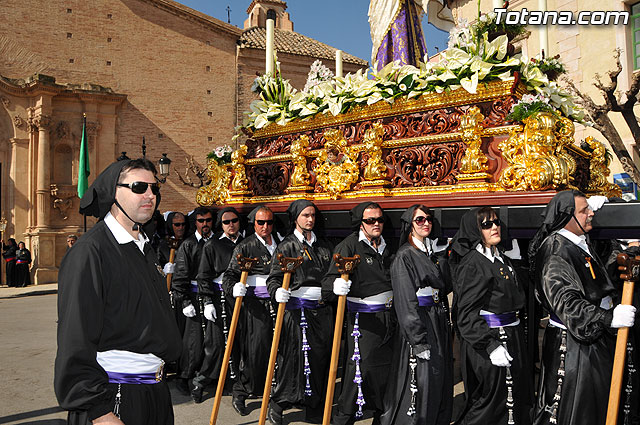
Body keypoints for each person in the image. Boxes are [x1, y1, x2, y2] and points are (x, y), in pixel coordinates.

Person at [54, 158, 182, 424]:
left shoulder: (145, 247)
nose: (150, 195)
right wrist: (99, 412)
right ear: (114, 191)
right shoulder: (90, 251)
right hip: (115, 398)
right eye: (138, 187)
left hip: (155, 393)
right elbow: (75, 337)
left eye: (154, 188)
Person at [529, 190, 636, 425]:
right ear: (567, 217)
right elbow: (567, 302)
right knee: (578, 410)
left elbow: (597, 278)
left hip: (592, 341)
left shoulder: (577, 242)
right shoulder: (556, 251)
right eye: (583, 210)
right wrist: (607, 318)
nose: (590, 214)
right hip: (573, 348)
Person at [450, 207, 533, 425]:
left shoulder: (501, 257)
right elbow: (465, 313)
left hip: (511, 334)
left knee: (514, 396)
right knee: (490, 401)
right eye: (486, 224)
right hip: (491, 338)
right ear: (474, 230)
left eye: (496, 222)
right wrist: (489, 345)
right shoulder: (473, 263)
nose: (494, 227)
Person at [323, 201, 397, 425]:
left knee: (386, 374)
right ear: (360, 223)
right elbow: (327, 282)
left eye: (380, 219)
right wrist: (335, 286)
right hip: (364, 321)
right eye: (370, 220)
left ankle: (382, 418)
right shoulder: (348, 246)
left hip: (390, 318)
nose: (376, 224)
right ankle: (343, 419)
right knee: (360, 373)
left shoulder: (389, 244)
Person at [381, 204, 453, 425]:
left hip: (436, 318)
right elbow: (405, 300)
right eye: (419, 220)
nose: (426, 223)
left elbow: (444, 287)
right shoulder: (405, 255)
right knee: (422, 380)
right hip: (420, 322)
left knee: (439, 377)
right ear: (410, 226)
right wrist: (418, 340)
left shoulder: (430, 251)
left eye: (428, 219)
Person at [266, 200, 334, 424]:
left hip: (321, 310)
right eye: (305, 215)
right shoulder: (286, 246)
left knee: (319, 358)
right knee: (293, 359)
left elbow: (331, 275)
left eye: (313, 215)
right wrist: (276, 292)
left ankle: (314, 406)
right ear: (295, 218)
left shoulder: (323, 246)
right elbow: (274, 277)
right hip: (296, 311)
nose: (310, 219)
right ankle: (278, 403)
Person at [223, 206, 280, 416]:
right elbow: (229, 275)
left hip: (280, 304)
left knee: (280, 350)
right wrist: (234, 288)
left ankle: (275, 391)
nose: (265, 227)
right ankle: (242, 391)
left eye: (269, 223)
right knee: (255, 350)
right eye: (260, 223)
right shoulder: (245, 247)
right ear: (253, 224)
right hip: (256, 306)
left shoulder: (282, 244)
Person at [192, 206, 244, 403]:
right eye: (226, 222)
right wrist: (207, 302)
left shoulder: (246, 243)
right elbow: (203, 276)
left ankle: (237, 383)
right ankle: (201, 381)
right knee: (215, 344)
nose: (231, 225)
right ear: (220, 224)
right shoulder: (212, 245)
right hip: (219, 299)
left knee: (240, 341)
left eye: (234, 221)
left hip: (240, 297)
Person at [171, 206, 214, 398]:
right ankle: (184, 376)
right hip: (194, 297)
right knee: (192, 341)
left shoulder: (218, 241)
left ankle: (206, 376)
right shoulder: (187, 245)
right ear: (195, 223)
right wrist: (185, 301)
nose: (205, 224)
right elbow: (180, 276)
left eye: (208, 220)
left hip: (214, 296)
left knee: (213, 340)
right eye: (200, 221)